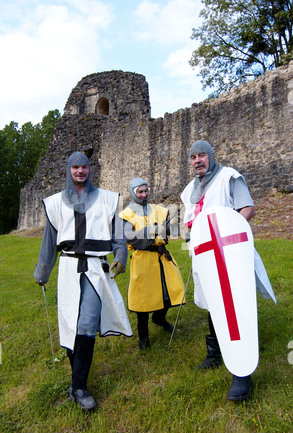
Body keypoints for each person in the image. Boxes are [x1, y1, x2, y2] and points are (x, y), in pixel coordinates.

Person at [34, 151, 132, 410]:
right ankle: (76, 380)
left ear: (90, 170)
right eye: (75, 167)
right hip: (67, 268)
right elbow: (48, 242)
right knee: (69, 325)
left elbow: (119, 236)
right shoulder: (56, 203)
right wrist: (42, 272)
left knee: (87, 324)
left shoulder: (108, 200)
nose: (80, 171)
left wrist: (120, 256)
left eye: (84, 167)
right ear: (69, 170)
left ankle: (79, 387)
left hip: (95, 269)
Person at [181, 140, 276, 401]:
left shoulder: (228, 177)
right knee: (214, 302)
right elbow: (191, 224)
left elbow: (248, 209)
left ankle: (241, 372)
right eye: (192, 157)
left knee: (234, 306)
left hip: (230, 253)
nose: (197, 160)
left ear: (211, 157)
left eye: (201, 155)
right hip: (205, 255)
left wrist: (227, 231)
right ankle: (215, 354)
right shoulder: (189, 190)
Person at [119, 177, 186, 350]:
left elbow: (172, 231)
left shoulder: (159, 210)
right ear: (133, 193)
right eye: (140, 192)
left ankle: (159, 318)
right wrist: (149, 231)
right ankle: (143, 338)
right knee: (143, 301)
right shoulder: (127, 215)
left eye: (145, 191)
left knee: (171, 292)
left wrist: (175, 224)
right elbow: (129, 237)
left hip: (162, 258)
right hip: (143, 260)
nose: (144, 195)